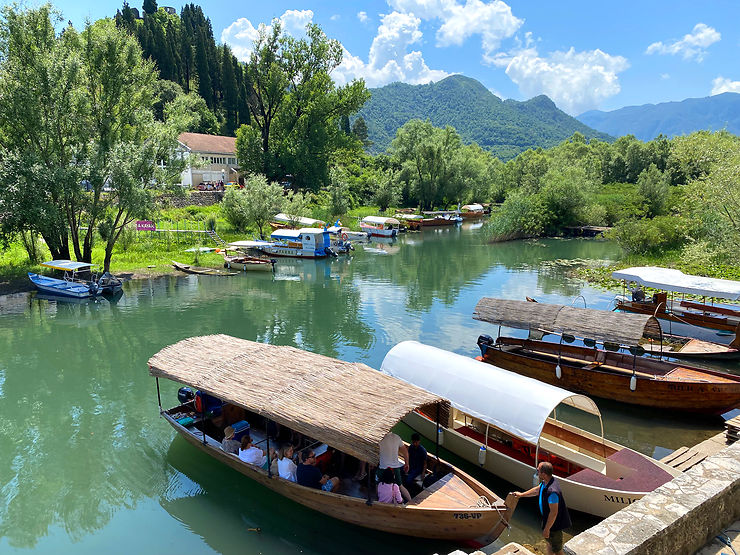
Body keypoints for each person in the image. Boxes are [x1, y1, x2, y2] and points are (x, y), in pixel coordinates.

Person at [512, 462, 571, 555]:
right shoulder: (547, 481)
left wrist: (547, 529)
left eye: (538, 471)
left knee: (557, 549)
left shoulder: (552, 492)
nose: (537, 472)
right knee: (549, 543)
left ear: (543, 474)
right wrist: (521, 495)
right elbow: (537, 490)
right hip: (547, 520)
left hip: (554, 525)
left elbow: (554, 513)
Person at [377, 432, 412, 502]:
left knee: (377, 484)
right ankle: (411, 502)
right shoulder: (397, 437)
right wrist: (407, 463)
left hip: (383, 468)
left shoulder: (379, 438)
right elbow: (405, 452)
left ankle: (378, 500)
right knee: (400, 486)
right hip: (395, 468)